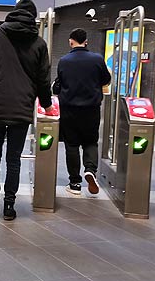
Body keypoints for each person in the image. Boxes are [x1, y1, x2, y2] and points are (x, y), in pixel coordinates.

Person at [0, 0, 53, 221]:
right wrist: (46, 105)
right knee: (14, 159)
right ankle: (9, 205)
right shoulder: (39, 44)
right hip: (22, 107)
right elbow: (43, 81)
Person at [53, 28, 111, 196]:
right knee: (90, 142)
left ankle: (75, 183)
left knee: (71, 145)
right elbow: (106, 79)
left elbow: (60, 83)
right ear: (86, 41)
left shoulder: (64, 61)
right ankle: (90, 170)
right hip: (91, 109)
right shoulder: (97, 59)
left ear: (71, 41)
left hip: (69, 110)